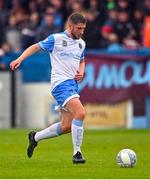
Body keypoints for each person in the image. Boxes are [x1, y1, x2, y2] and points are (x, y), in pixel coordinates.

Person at [10, 12, 87, 164]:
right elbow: (35, 47)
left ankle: (35, 137)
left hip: (72, 85)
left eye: (83, 28)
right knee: (81, 112)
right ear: (70, 26)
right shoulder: (56, 39)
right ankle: (77, 153)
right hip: (60, 85)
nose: (81, 31)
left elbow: (82, 60)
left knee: (66, 126)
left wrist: (82, 71)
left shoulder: (81, 43)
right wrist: (19, 59)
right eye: (79, 28)